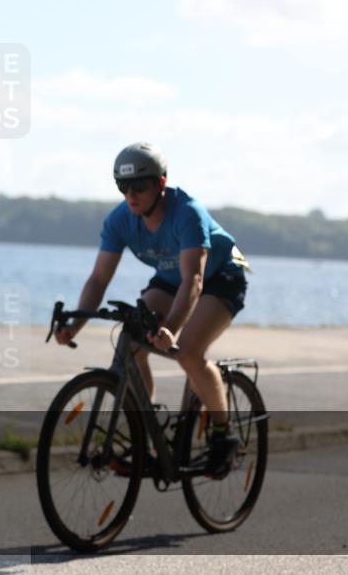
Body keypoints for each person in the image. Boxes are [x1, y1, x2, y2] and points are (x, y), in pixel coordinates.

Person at [54, 142, 248, 475]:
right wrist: (75, 323)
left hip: (219, 277)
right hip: (171, 278)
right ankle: (148, 429)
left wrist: (171, 327)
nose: (131, 195)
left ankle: (222, 433)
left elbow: (194, 281)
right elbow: (99, 279)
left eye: (139, 187)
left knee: (188, 352)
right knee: (131, 341)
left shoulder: (188, 213)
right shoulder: (120, 220)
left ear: (160, 184)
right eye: (123, 187)